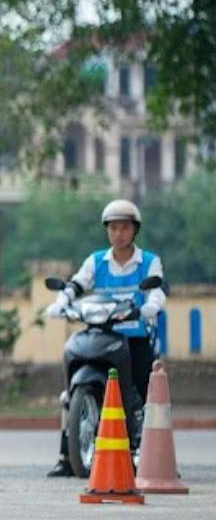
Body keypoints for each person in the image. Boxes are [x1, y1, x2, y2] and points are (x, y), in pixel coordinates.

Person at [44, 199, 166, 477]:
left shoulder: (148, 262)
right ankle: (67, 454)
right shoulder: (96, 261)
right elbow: (76, 284)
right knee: (68, 393)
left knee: (146, 389)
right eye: (112, 227)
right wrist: (61, 300)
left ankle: (150, 452)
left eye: (124, 227)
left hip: (133, 334)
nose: (118, 233)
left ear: (134, 230)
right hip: (100, 331)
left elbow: (158, 289)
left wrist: (151, 306)